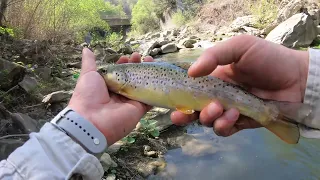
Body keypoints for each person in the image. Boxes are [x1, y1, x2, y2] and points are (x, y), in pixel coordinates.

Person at [1, 34, 320, 179]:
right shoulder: (121, 79)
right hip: (199, 94)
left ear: (118, 76)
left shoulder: (123, 77)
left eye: (106, 73)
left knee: (241, 110)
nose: (102, 76)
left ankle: (270, 112)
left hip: (202, 89)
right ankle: (271, 112)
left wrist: (304, 78)